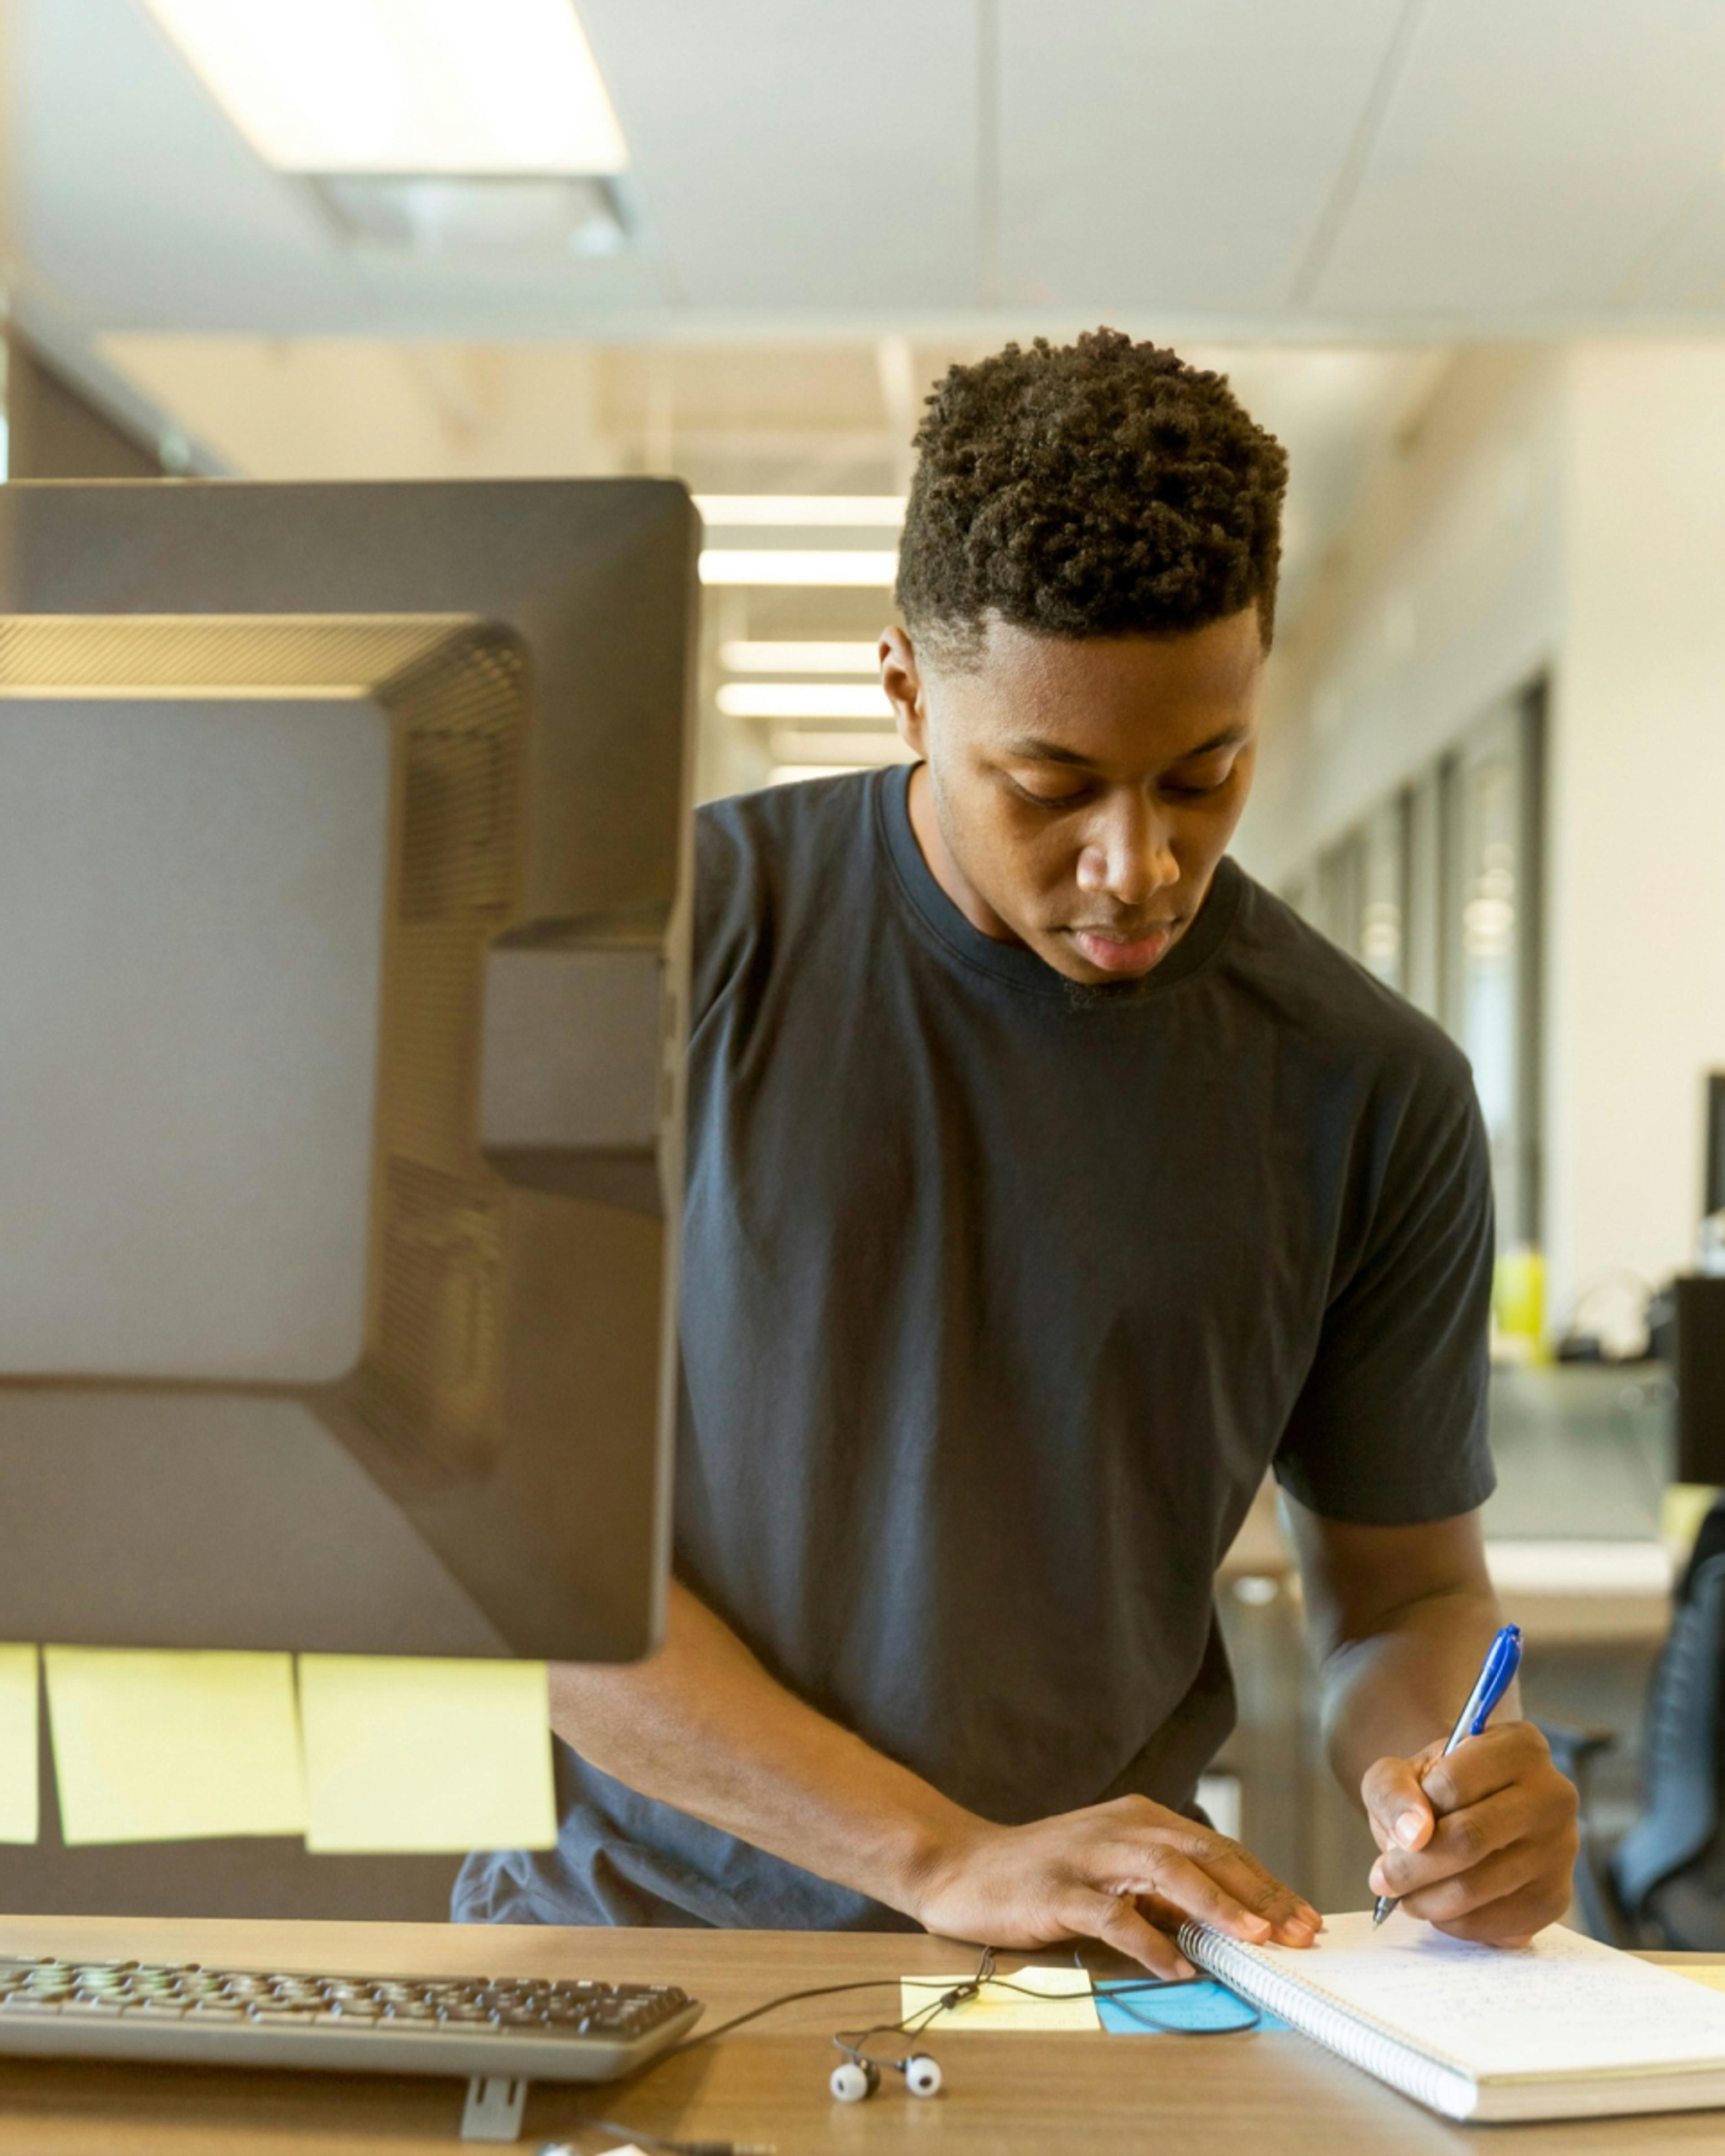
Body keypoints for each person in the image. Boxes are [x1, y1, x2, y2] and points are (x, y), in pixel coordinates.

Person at [456, 329, 1577, 1970]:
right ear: (906, 683)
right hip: (635, 1945)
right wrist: (932, 1853)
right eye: (1052, 786)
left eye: (1206, 776)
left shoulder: (1369, 1087)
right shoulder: (656, 955)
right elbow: (506, 1552)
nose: (1139, 863)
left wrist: (1447, 1792)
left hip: (1093, 1969)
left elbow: (1406, 1601)